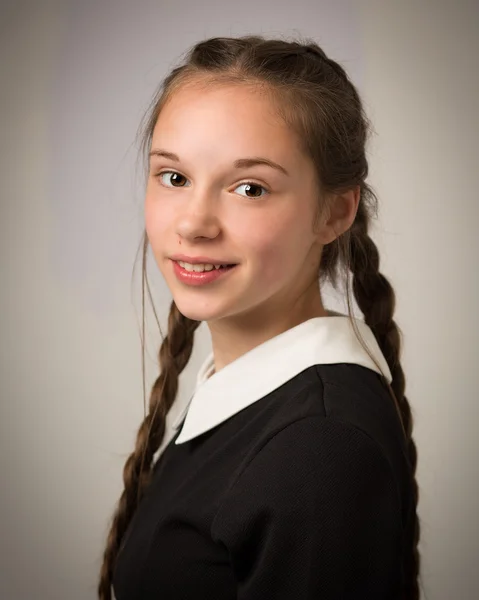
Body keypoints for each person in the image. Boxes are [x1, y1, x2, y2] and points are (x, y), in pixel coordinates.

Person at [98, 35, 422, 599]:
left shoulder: (318, 447)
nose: (194, 223)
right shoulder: (256, 399)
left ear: (333, 211)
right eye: (173, 177)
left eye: (250, 188)